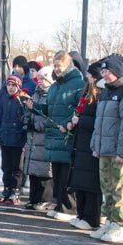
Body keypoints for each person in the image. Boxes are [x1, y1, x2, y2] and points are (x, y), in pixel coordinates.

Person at [89, 55, 123, 242]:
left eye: (107, 71)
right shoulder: (105, 92)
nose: (104, 75)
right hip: (104, 149)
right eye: (102, 71)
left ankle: (118, 224)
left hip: (119, 152)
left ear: (117, 72)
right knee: (107, 187)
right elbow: (99, 122)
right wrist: (95, 145)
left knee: (120, 187)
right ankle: (109, 222)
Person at [44, 51, 85, 220]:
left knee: (67, 172)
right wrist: (34, 106)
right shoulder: (54, 86)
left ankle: (69, 208)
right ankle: (59, 203)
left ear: (68, 65)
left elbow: (79, 107)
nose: (56, 69)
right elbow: (50, 108)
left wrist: (69, 123)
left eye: (59, 66)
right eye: (54, 66)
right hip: (54, 134)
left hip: (67, 133)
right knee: (57, 172)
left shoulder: (78, 84)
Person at [66, 64, 103, 232]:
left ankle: (91, 217)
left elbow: (99, 121)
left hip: (91, 143)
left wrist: (80, 121)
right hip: (81, 142)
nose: (87, 78)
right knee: (80, 180)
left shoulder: (100, 96)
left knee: (90, 182)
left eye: (90, 76)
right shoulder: (85, 94)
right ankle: (81, 214)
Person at [20, 66, 55, 211]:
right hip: (33, 139)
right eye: (39, 79)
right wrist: (26, 119)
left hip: (44, 138)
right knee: (33, 170)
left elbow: (51, 117)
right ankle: (33, 198)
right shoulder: (35, 94)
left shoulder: (52, 95)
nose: (40, 82)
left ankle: (45, 199)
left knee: (45, 171)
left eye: (43, 79)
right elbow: (29, 112)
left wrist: (36, 125)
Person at [0, 74, 28, 205]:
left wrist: (24, 139)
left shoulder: (22, 99)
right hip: (5, 137)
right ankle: (6, 188)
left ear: (18, 86)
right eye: (9, 85)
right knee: (6, 166)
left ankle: (16, 189)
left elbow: (26, 120)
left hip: (18, 139)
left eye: (14, 85)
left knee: (17, 167)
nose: (11, 87)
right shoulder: (3, 99)